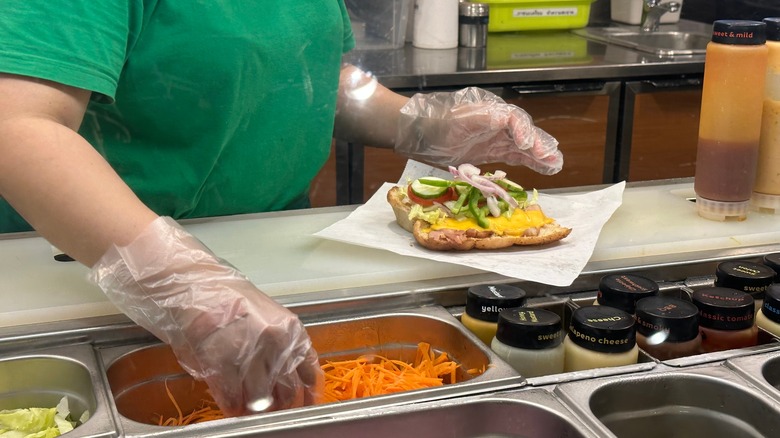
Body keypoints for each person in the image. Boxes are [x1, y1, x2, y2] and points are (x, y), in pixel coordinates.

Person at [0, 1, 563, 417]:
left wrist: (421, 122)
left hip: (275, 260)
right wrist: (180, 280)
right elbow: (18, 125)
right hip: (96, 272)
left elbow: (318, 79)